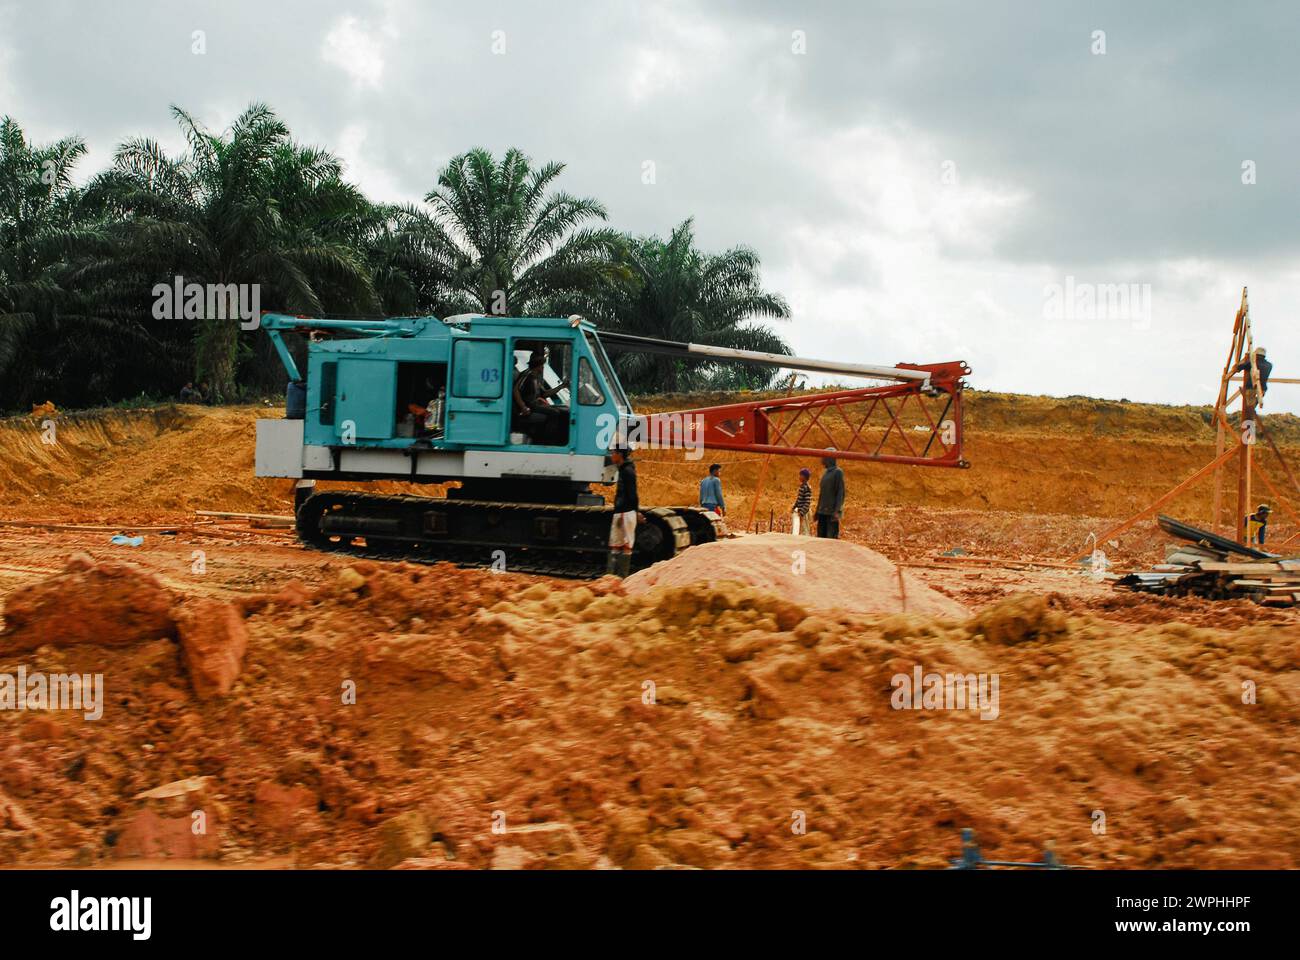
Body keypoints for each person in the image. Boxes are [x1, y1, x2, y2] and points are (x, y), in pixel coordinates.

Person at [513, 349, 568, 443]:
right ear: (537, 366)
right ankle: (547, 441)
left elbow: (545, 394)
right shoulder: (527, 374)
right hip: (529, 407)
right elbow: (516, 390)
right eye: (542, 366)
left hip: (535, 405)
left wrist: (561, 387)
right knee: (554, 413)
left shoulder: (536, 378)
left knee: (564, 411)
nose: (543, 368)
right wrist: (523, 407)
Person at [607, 445, 639, 577]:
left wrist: (635, 512)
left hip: (626, 512)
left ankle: (621, 578)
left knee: (626, 546)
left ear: (619, 454)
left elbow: (632, 494)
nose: (611, 455)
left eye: (613, 453)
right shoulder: (623, 470)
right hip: (621, 512)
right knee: (615, 544)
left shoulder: (627, 471)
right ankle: (611, 577)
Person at [814, 451, 845, 539]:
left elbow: (840, 492)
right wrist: (817, 510)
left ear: (829, 458)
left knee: (830, 540)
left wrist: (837, 511)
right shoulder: (825, 473)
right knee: (821, 539)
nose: (822, 459)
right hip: (822, 512)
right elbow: (822, 494)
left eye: (824, 457)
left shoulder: (838, 472)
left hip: (831, 514)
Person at [791, 467, 813, 535]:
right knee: (800, 529)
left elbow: (807, 502)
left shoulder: (806, 488)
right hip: (800, 511)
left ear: (805, 477)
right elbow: (799, 499)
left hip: (805, 512)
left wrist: (802, 512)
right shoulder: (802, 486)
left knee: (805, 529)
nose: (799, 477)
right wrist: (794, 507)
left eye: (801, 475)